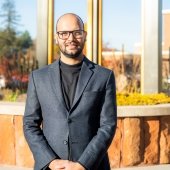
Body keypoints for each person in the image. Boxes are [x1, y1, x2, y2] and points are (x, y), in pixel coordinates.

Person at [23, 13, 117, 170]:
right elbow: (29, 124)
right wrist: (51, 161)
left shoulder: (104, 76)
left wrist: (83, 164)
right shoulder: (38, 77)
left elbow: (108, 125)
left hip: (92, 166)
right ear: (56, 37)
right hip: (50, 167)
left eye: (76, 32)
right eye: (64, 33)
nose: (71, 38)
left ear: (84, 35)